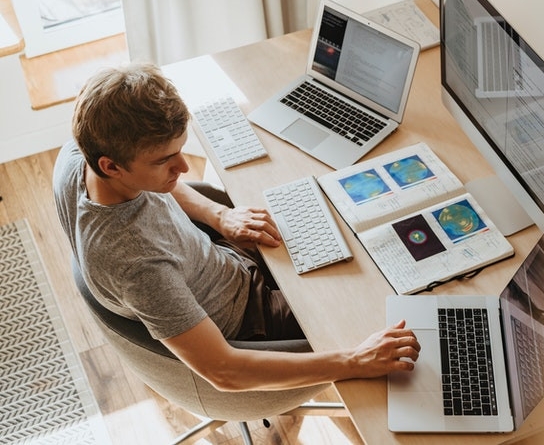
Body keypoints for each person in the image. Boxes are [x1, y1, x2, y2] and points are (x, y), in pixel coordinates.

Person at [53, 63, 420, 392]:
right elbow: (225, 371)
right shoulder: (137, 266)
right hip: (249, 322)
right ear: (111, 166)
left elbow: (164, 184)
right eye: (165, 160)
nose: (183, 168)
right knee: (386, 312)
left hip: (221, 263)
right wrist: (354, 362)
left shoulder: (80, 155)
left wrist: (219, 216)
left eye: (181, 150)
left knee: (347, 228)